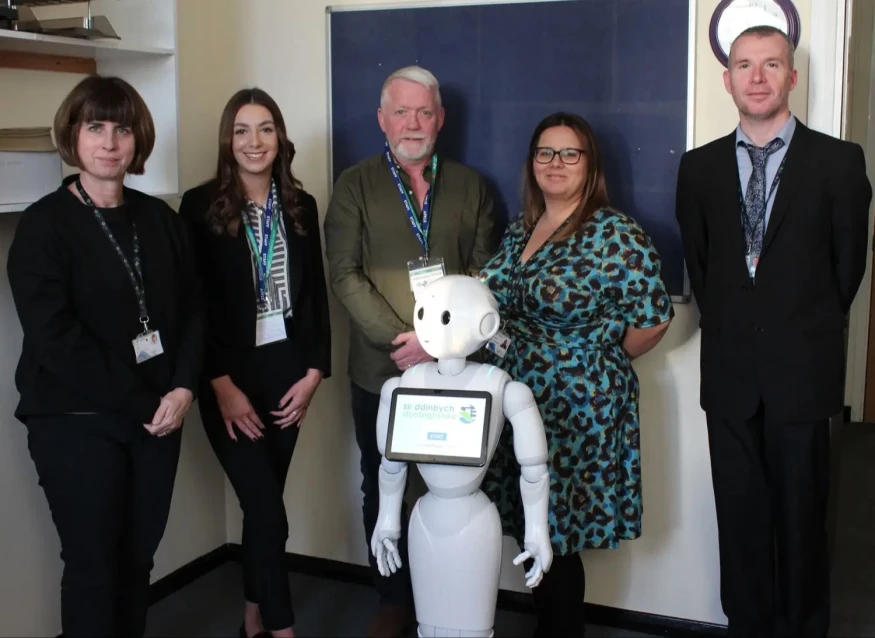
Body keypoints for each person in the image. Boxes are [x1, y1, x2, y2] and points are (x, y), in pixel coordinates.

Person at [675, 25, 872, 637]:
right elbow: (703, 269)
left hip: (802, 377)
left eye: (770, 64)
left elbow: (846, 271)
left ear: (792, 76)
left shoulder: (839, 163)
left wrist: (795, 327)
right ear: (727, 78)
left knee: (803, 523)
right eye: (744, 65)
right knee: (739, 523)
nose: (756, 78)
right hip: (730, 375)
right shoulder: (699, 168)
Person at [6, 75, 204, 638]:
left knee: (138, 563)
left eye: (122, 129)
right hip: (76, 421)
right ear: (73, 134)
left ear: (139, 139)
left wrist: (184, 387)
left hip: (159, 420)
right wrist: (147, 401)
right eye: (95, 127)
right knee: (93, 569)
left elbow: (195, 311)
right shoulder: (43, 226)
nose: (110, 143)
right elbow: (56, 340)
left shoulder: (161, 220)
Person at [479, 112, 673, 638]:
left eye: (570, 153)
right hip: (520, 401)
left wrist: (591, 360)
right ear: (531, 163)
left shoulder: (616, 234)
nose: (556, 163)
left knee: (557, 533)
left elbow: (654, 319)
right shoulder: (521, 227)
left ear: (590, 164)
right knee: (533, 525)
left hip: (577, 411)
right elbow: (489, 297)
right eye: (545, 152)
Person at [323, 65, 499, 637]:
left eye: (425, 112)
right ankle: (393, 601)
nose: (414, 123)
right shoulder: (354, 185)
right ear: (382, 119)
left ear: (441, 118)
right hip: (383, 372)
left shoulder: (472, 187)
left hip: (456, 374)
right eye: (401, 112)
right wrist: (405, 340)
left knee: (454, 487)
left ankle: (447, 601)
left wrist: (435, 344)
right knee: (384, 482)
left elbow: (485, 273)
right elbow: (344, 274)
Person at [179, 88, 331, 638]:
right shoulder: (200, 206)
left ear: (279, 137)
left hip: (288, 373)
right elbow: (190, 303)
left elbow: (314, 295)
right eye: (241, 130)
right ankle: (283, 630)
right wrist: (219, 384)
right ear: (228, 140)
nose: (254, 141)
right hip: (230, 377)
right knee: (268, 512)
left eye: (265, 128)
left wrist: (314, 373)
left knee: (262, 509)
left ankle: (252, 619)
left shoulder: (300, 205)